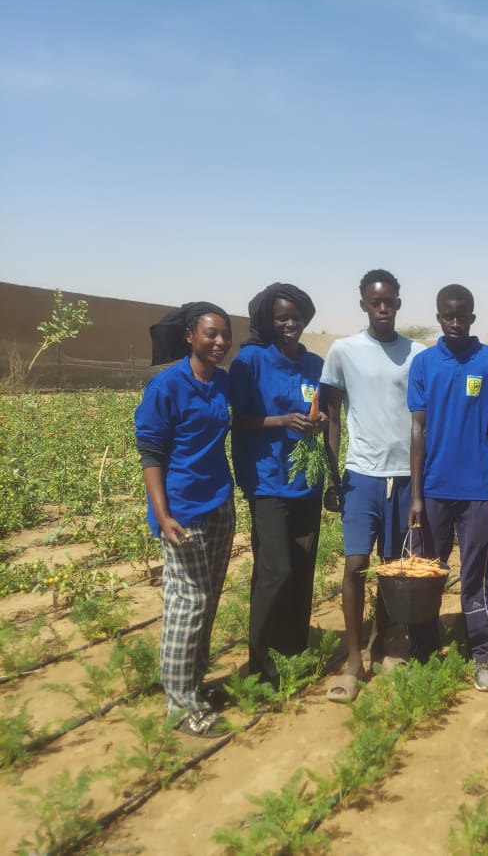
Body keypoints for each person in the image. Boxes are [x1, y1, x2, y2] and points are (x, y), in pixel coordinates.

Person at [320, 270, 432, 703]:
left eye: (389, 301)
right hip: (361, 474)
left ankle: (383, 644)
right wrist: (332, 477)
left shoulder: (418, 354)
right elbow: (331, 417)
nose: (382, 308)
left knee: (392, 567)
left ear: (399, 303)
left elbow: (424, 419)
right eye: (374, 301)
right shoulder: (343, 352)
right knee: (355, 564)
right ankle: (353, 659)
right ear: (363, 304)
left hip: (406, 475)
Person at [408, 284, 488, 692]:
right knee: (428, 572)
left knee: (476, 573)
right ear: (438, 317)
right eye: (448, 316)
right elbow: (417, 429)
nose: (456, 323)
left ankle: (482, 652)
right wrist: (417, 495)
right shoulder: (425, 365)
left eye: (463, 315)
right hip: (434, 488)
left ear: (473, 317)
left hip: (476, 491)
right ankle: (424, 646)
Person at [135, 302, 235, 738]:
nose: (219, 342)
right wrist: (162, 514)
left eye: (224, 335)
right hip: (181, 511)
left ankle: (193, 687)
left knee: (208, 600)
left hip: (218, 505)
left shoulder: (223, 383)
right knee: (186, 605)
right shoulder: (167, 386)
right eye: (211, 334)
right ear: (190, 336)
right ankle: (179, 706)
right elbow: (151, 454)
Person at [228, 283, 326, 689]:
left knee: (302, 571)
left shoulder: (314, 363)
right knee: (275, 570)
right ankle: (260, 663)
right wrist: (282, 421)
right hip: (268, 479)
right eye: (281, 317)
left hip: (307, 481)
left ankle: (293, 651)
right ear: (267, 320)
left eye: (296, 317)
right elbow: (237, 420)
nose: (290, 324)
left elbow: (323, 413)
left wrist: (315, 422)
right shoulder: (250, 361)